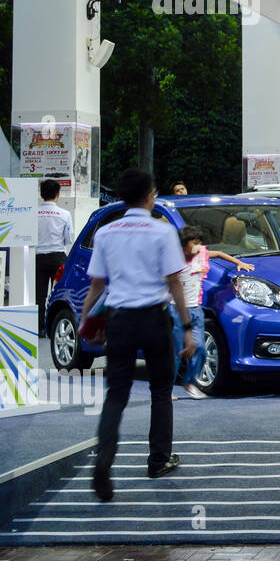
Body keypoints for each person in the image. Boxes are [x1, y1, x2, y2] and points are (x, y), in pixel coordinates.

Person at [87, 170, 194, 501]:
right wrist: (187, 328)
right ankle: (158, 461)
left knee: (116, 395)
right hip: (154, 319)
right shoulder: (162, 231)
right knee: (161, 391)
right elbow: (175, 282)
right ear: (150, 196)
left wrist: (86, 321)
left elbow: (97, 285)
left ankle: (104, 460)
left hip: (119, 321)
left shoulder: (106, 232)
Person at [171, 226, 253, 399]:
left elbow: (219, 254)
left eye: (200, 242)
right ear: (183, 245)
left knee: (200, 348)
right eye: (194, 243)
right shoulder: (174, 261)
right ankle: (166, 388)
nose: (198, 246)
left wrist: (239, 263)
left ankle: (189, 382)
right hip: (176, 310)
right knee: (176, 351)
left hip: (195, 309)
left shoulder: (202, 254)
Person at [36, 178, 73, 337]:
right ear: (58, 194)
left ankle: (40, 328)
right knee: (60, 294)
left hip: (38, 257)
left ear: (41, 194)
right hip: (58, 257)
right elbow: (68, 239)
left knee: (39, 295)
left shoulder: (33, 213)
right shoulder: (65, 214)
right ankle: (56, 326)